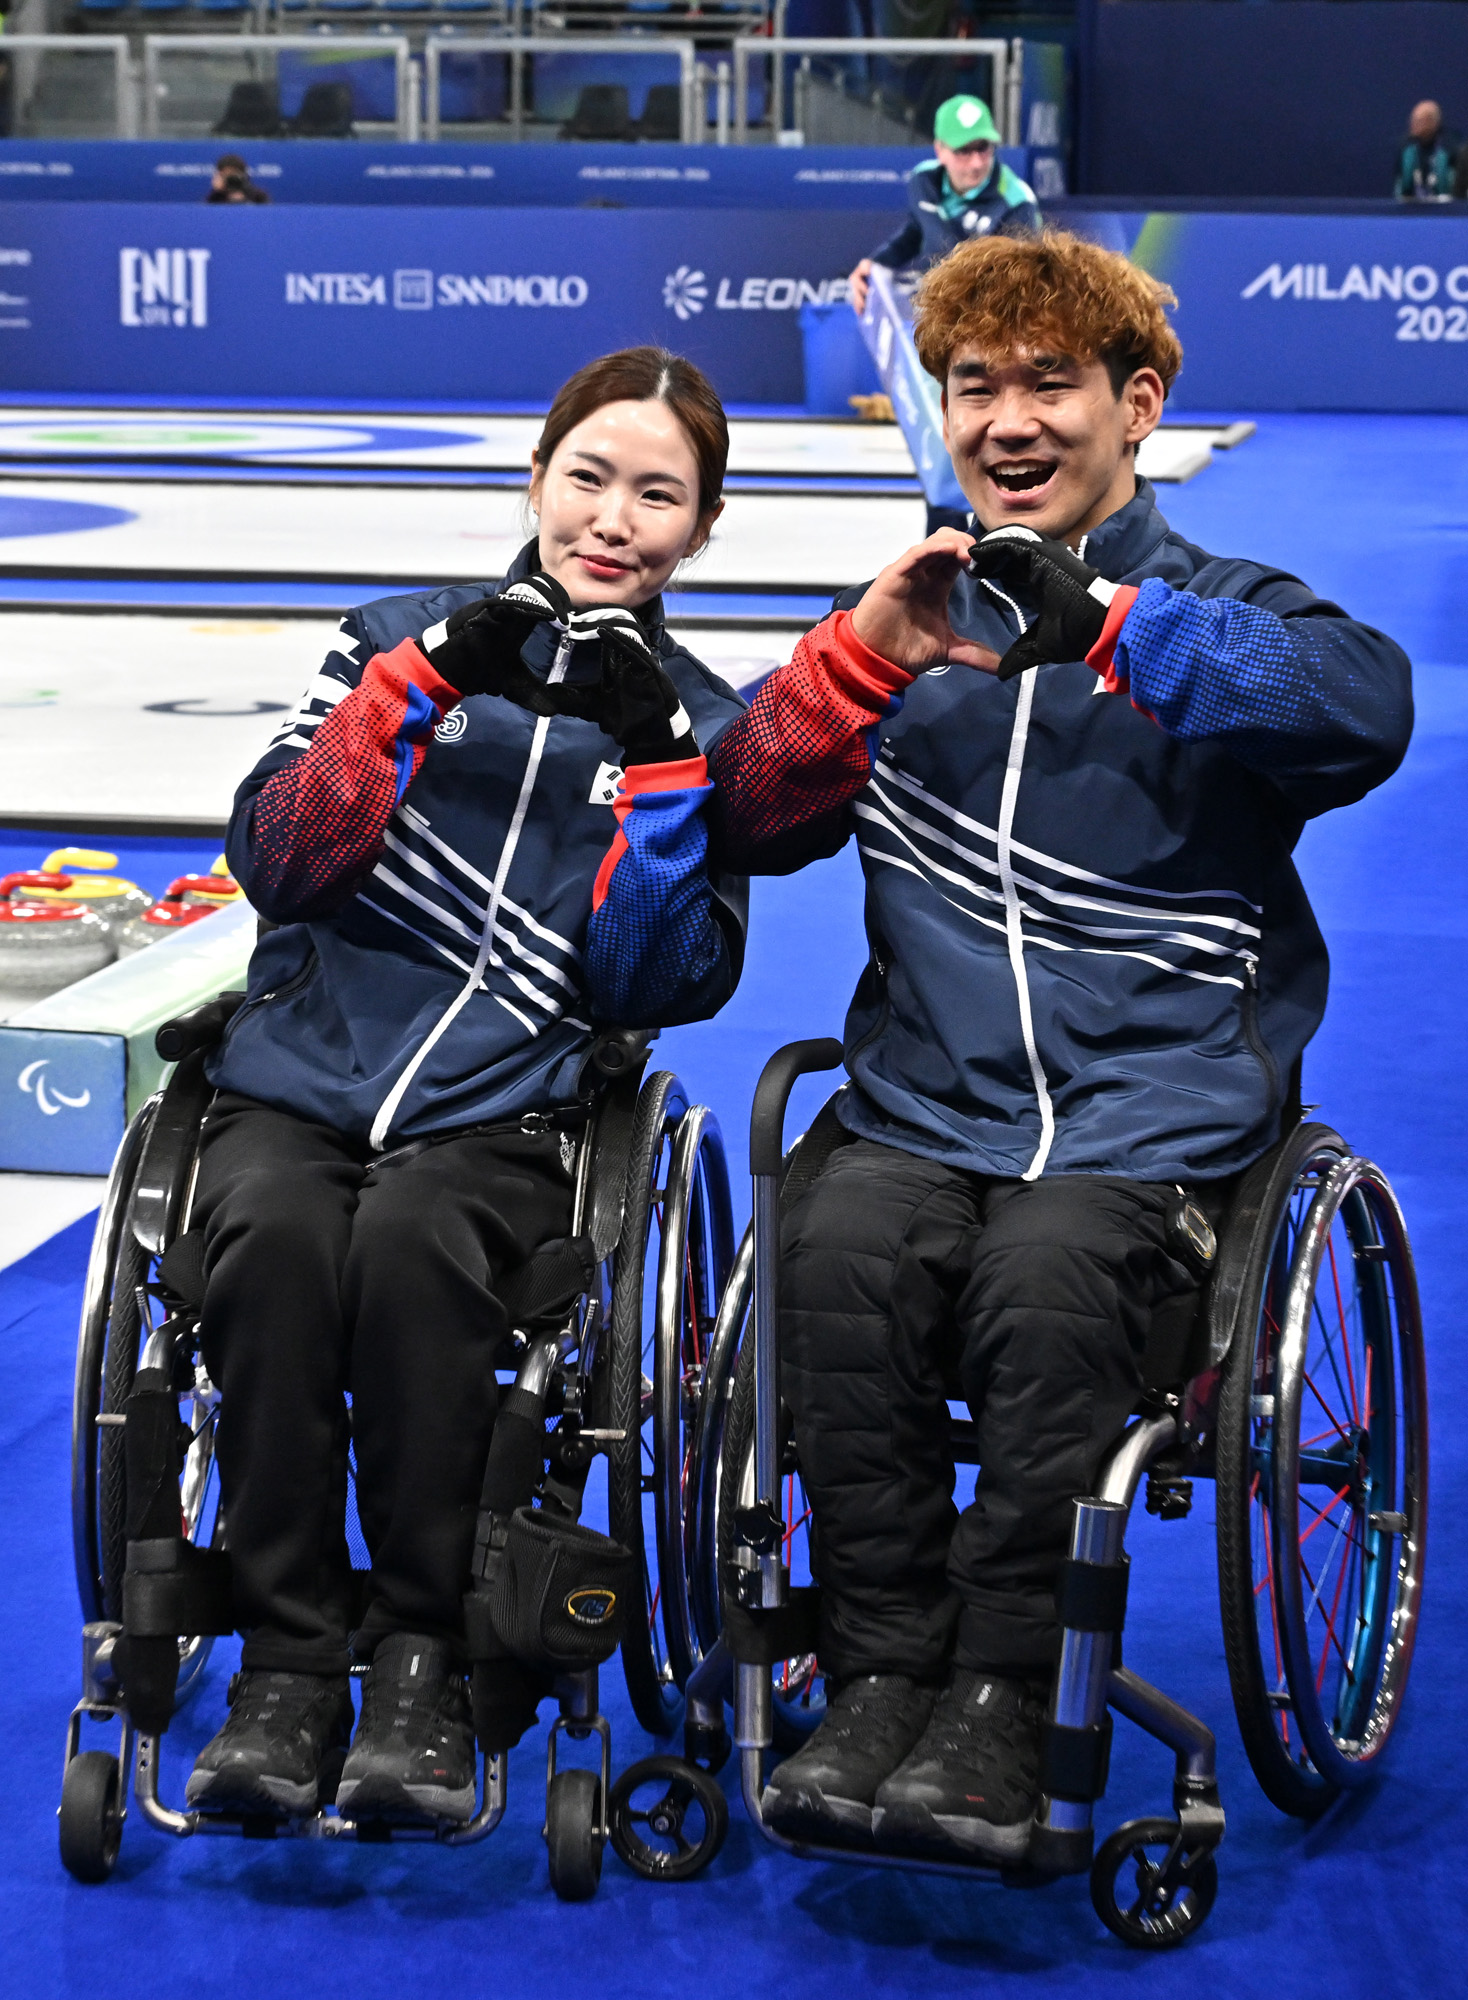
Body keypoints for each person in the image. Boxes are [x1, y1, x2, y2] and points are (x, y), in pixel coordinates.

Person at [706, 231, 1412, 1864]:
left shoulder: (1221, 610)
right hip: (917, 1107)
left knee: (1042, 1284)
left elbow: (1359, 708)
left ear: (1135, 403)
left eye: (1048, 384)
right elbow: (738, 813)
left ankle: (1005, 1696)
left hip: (1145, 1129)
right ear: (937, 409)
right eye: (974, 387)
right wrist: (848, 666)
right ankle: (883, 1668)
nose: (1008, 420)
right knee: (836, 1255)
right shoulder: (900, 623)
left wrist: (1110, 622)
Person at [184, 347, 749, 1823]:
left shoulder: (697, 715)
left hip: (507, 1118)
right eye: (588, 478)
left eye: (658, 495)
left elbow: (658, 982)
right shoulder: (386, 638)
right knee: (275, 1246)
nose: (614, 519)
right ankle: (289, 1668)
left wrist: (661, 768)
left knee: (423, 1252)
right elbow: (284, 859)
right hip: (298, 1081)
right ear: (536, 479)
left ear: (702, 527)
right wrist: (419, 684)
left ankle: (426, 1663)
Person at [850, 95, 1041, 538]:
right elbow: (918, 237)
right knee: (942, 464)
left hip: (997, 349)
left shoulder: (1016, 204)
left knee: (988, 463)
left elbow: (1021, 292)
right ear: (939, 149)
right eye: (963, 151)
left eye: (984, 150)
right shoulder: (924, 182)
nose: (975, 163)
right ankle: (942, 574)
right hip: (949, 341)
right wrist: (874, 264)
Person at [1394, 99, 1455, 199]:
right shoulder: (1405, 149)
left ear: (1433, 122)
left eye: (1419, 120)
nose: (1412, 124)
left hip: (1446, 209)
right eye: (1412, 120)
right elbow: (1400, 186)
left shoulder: (1451, 149)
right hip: (1411, 209)